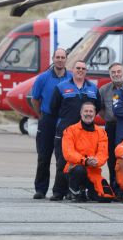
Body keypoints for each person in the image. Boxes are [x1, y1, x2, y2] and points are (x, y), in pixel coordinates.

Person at [49, 60, 102, 201]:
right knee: (62, 162)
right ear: (72, 69)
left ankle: (74, 190)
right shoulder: (61, 87)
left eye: (83, 68)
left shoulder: (93, 88)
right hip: (64, 131)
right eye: (78, 68)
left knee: (81, 162)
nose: (80, 70)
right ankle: (58, 192)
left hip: (84, 132)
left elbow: (98, 107)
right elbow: (53, 108)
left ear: (86, 71)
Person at [31, 48, 72, 199]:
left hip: (65, 121)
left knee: (64, 158)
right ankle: (40, 189)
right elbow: (35, 99)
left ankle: (61, 190)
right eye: (57, 57)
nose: (60, 60)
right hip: (47, 120)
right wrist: (41, 115)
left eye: (63, 57)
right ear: (53, 58)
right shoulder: (43, 78)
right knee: (44, 156)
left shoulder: (72, 78)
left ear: (66, 59)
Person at [62, 102, 114, 202]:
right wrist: (84, 161)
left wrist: (96, 161)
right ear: (81, 113)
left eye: (91, 111)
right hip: (75, 168)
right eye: (86, 111)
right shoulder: (70, 130)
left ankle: (87, 192)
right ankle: (74, 192)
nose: (88, 113)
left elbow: (103, 153)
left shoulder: (101, 132)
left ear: (95, 114)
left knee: (106, 198)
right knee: (79, 170)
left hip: (93, 170)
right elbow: (68, 153)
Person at [98, 63, 123, 192]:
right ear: (110, 75)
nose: (116, 74)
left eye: (119, 71)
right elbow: (101, 109)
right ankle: (114, 187)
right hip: (111, 127)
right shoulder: (104, 90)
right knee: (112, 157)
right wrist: (109, 118)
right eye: (113, 72)